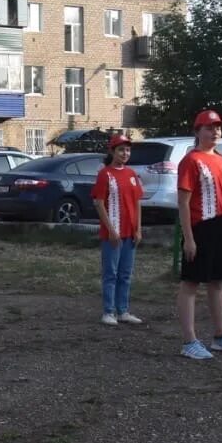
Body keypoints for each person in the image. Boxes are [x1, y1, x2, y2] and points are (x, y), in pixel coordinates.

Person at [177, 110, 222, 360]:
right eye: (209, 127)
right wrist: (189, 237)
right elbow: (184, 202)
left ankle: (221, 336)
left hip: (220, 225)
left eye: (218, 127)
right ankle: (189, 341)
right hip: (200, 226)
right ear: (197, 132)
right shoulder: (191, 160)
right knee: (191, 283)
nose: (215, 131)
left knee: (217, 282)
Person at [92, 135, 145, 326]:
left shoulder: (131, 174)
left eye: (128, 150)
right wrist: (111, 230)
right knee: (111, 273)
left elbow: (138, 201)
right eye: (121, 150)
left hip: (130, 233)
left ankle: (123, 310)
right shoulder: (105, 174)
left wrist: (138, 228)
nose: (125, 153)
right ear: (112, 152)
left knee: (125, 273)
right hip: (112, 233)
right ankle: (108, 311)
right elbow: (98, 203)